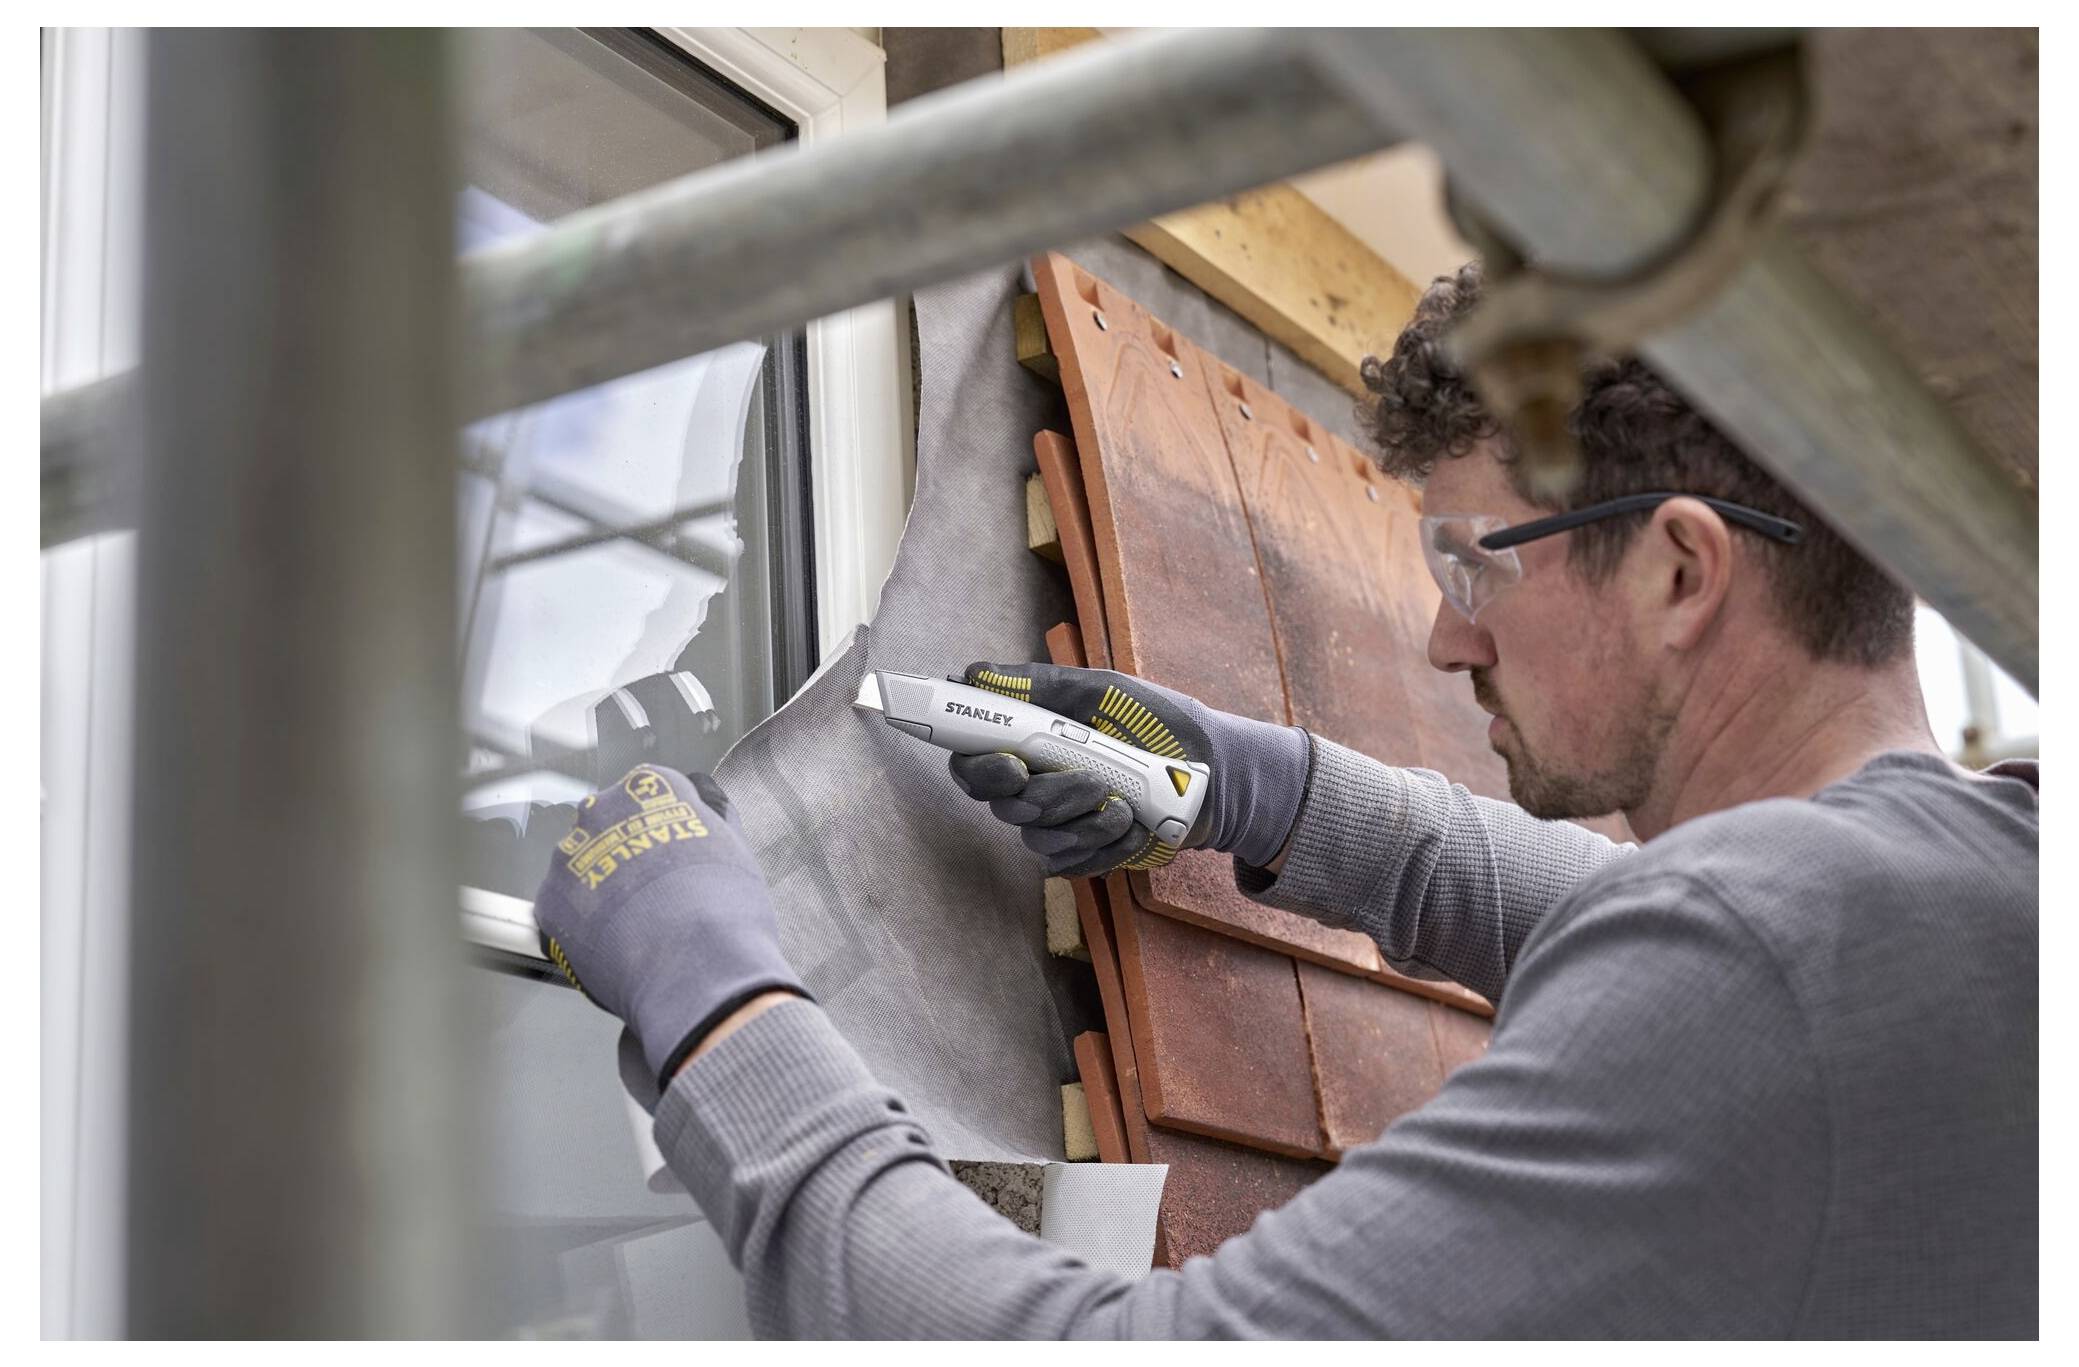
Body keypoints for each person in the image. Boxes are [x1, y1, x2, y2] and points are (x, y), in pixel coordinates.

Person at [532, 264, 2038, 1338]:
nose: (1446, 640)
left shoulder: (1766, 969)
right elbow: (1566, 897)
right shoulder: (1981, 891)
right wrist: (1239, 785)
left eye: (1472, 568)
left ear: (1680, 570)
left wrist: (720, 1010)